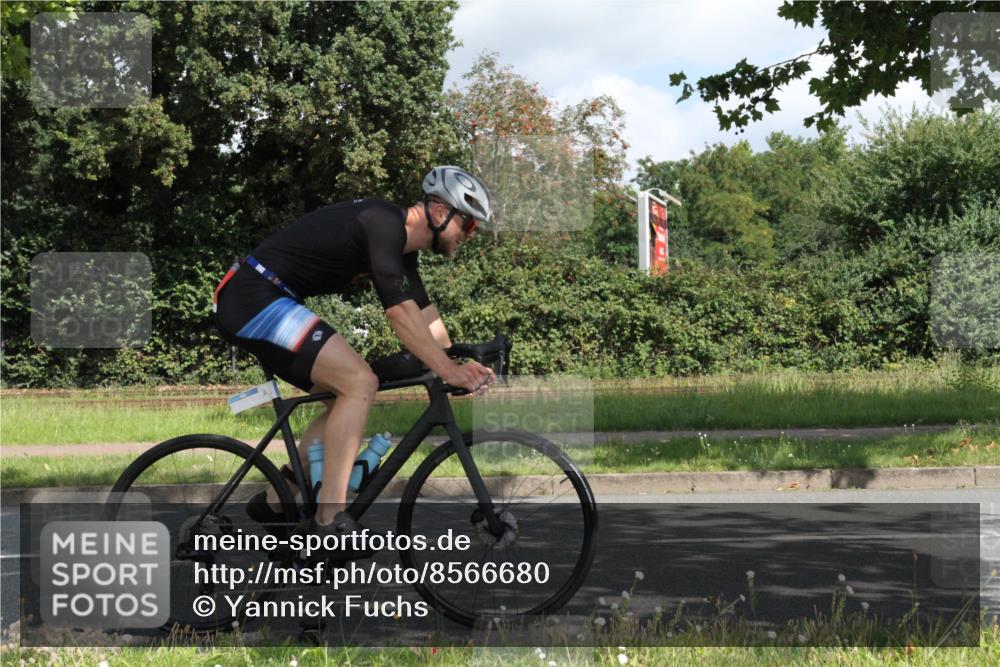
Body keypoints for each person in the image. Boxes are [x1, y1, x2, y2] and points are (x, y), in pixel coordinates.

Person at [213, 166, 496, 559]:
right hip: (253, 295)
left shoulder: (402, 252)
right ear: (438, 212)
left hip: (266, 297)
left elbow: (425, 318)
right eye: (468, 226)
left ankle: (278, 501)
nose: (470, 236)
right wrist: (448, 370)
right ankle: (330, 524)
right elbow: (399, 316)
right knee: (360, 382)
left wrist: (460, 363)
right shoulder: (382, 223)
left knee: (343, 394)